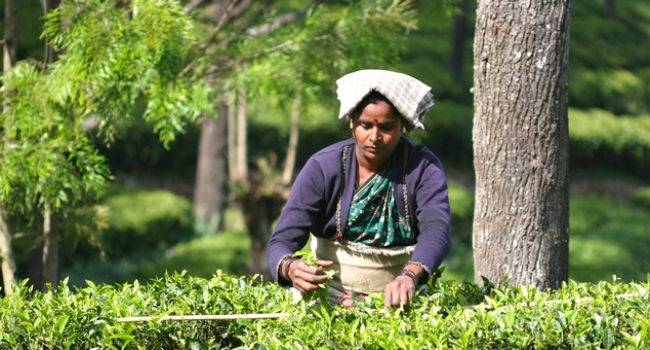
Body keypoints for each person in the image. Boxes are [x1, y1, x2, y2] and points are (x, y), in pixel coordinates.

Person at [266, 69, 450, 307]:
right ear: (352, 122)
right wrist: (291, 268)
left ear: (403, 126)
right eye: (365, 125)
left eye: (386, 127)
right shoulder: (324, 167)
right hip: (329, 299)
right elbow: (281, 240)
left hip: (402, 298)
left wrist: (409, 276)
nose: (374, 136)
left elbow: (437, 229)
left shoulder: (421, 168)